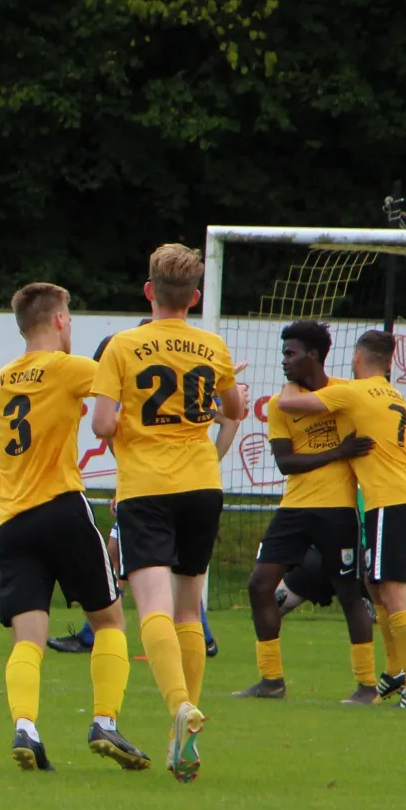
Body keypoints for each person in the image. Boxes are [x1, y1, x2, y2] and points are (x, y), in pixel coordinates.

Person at [0, 283, 149, 772]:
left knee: (28, 638)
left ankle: (26, 727)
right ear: (60, 321)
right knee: (109, 619)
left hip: (12, 522)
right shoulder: (70, 368)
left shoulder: (0, 382)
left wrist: (15, 470)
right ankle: (105, 721)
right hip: (62, 511)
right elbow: (123, 395)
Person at [90, 244, 246, 782]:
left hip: (147, 487)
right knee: (188, 608)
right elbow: (235, 411)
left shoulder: (122, 346)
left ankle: (179, 706)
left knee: (152, 607)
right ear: (195, 298)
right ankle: (185, 732)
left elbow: (103, 425)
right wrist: (210, 447)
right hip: (202, 485)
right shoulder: (212, 345)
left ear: (148, 291)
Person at [274, 330, 406, 708]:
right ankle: (396, 671)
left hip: (390, 501)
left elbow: (289, 404)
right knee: (373, 582)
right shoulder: (396, 396)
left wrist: (289, 381)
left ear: (357, 359)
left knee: (392, 588)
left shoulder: (353, 391)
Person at [48, 326, 224, 659]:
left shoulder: (128, 394)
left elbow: (110, 431)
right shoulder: (165, 375)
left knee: (147, 565)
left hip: (152, 489)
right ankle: (199, 635)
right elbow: (226, 413)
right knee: (169, 567)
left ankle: (99, 633)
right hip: (168, 485)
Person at [230, 321, 383, 704]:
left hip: (338, 510)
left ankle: (367, 686)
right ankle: (271, 680)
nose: (284, 361)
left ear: (313, 355)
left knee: (350, 593)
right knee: (259, 585)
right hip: (295, 508)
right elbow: (285, 462)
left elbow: (378, 431)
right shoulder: (281, 404)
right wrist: (337, 453)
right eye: (284, 353)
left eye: (291, 353)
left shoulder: (347, 394)